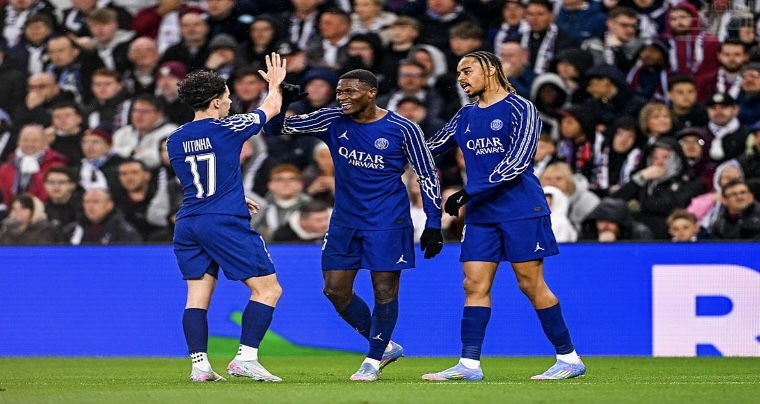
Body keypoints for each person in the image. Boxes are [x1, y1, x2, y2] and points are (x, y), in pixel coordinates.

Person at [264, 68, 444, 382]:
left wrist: (433, 222)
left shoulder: (404, 128)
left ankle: (373, 359)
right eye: (339, 92)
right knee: (334, 289)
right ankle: (385, 346)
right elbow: (275, 128)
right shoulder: (332, 119)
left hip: (388, 220)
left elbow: (427, 173)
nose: (342, 98)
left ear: (371, 93)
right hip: (345, 221)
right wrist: (282, 102)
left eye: (350, 92)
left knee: (384, 290)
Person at [421, 51, 585, 381]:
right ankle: (469, 364)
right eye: (458, 72)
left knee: (530, 284)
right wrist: (382, 146)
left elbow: (518, 161)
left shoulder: (521, 108)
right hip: (481, 214)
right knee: (473, 284)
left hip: (520, 210)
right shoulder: (465, 115)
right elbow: (427, 148)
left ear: (491, 70)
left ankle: (569, 358)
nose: (461, 78)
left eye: (467, 70)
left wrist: (468, 191)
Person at [167, 54, 287, 382]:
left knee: (196, 297)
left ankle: (200, 366)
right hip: (222, 220)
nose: (231, 102)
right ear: (216, 101)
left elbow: (200, 177)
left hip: (189, 221)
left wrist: (234, 194)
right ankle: (246, 358)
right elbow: (272, 107)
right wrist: (275, 84)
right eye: (228, 96)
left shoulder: (174, 138)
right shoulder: (229, 127)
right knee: (268, 290)